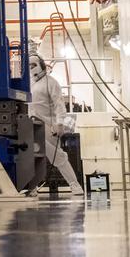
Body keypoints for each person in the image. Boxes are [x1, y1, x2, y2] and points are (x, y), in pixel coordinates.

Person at [28, 53, 84, 196]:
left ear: (41, 66)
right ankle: (32, 187)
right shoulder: (30, 83)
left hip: (48, 126)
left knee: (58, 156)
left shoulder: (51, 82)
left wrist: (60, 124)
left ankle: (74, 185)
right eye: (29, 65)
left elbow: (59, 105)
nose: (31, 68)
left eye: (34, 65)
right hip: (32, 125)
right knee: (31, 157)